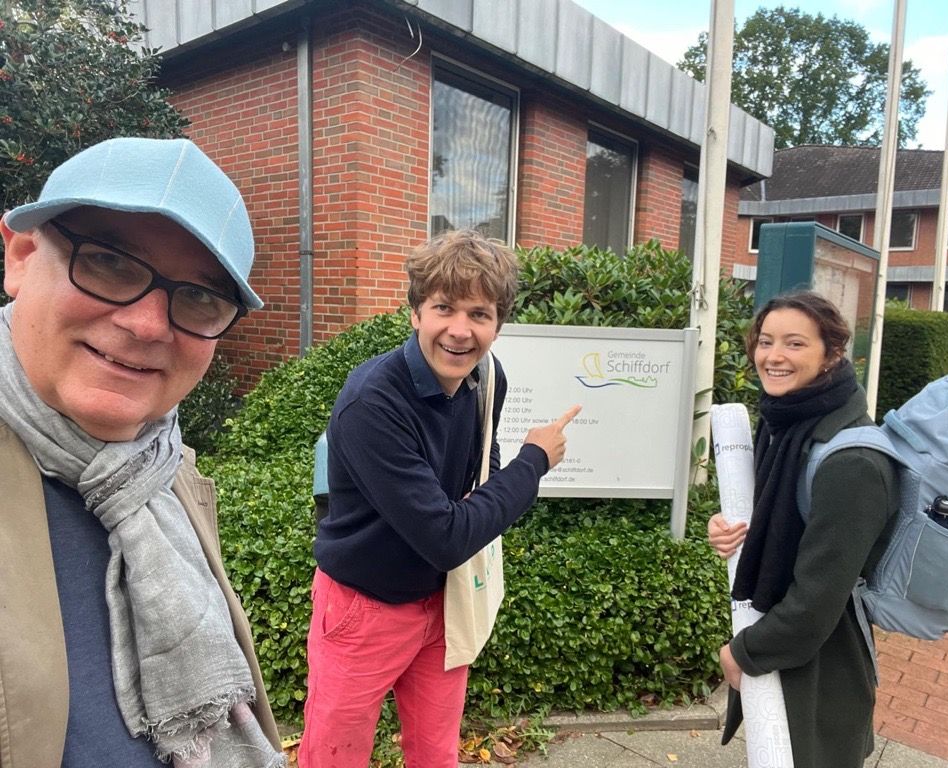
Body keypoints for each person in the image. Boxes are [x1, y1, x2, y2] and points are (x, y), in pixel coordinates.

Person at [0, 137, 283, 768]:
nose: (149, 324)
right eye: (109, 262)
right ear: (20, 256)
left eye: (200, 297)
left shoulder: (165, 469)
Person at [299, 229, 581, 767]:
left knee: (436, 754)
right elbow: (446, 536)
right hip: (363, 608)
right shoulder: (372, 402)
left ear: (498, 324)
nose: (459, 330)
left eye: (479, 313)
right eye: (443, 308)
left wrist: (501, 482)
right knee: (334, 757)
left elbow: (482, 471)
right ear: (415, 313)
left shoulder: (486, 378)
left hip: (443, 603)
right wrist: (536, 461)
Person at [707, 291, 899, 768]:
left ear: (831, 353)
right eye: (765, 341)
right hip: (790, 652)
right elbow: (778, 518)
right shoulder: (788, 420)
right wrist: (732, 528)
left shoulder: (853, 462)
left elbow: (817, 601)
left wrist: (744, 652)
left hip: (824, 668)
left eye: (794, 344)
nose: (773, 356)